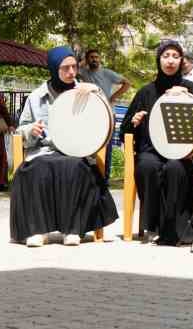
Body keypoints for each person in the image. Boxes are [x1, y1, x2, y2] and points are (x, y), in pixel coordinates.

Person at [11, 47, 119, 247]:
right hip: (44, 150)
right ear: (53, 69)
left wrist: (98, 94)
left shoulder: (87, 91)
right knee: (35, 169)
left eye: (74, 67)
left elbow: (105, 121)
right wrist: (29, 131)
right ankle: (37, 230)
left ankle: (73, 229)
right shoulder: (36, 97)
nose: (71, 72)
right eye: (65, 68)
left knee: (75, 167)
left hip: (77, 152)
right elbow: (20, 131)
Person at [119, 40, 193, 245]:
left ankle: (174, 229)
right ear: (158, 60)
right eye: (166, 56)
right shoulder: (145, 92)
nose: (170, 61)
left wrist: (190, 100)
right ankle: (151, 226)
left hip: (183, 152)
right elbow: (125, 131)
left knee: (175, 168)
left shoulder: (192, 89)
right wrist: (134, 122)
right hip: (151, 150)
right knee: (147, 166)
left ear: (182, 61)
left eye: (175, 57)